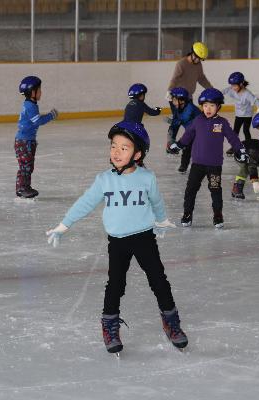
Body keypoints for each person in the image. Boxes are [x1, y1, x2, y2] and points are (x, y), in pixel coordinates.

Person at [45, 121, 188, 354]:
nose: (116, 152)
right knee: (115, 285)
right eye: (114, 146)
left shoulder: (147, 178)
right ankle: (109, 325)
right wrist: (64, 225)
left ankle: (171, 322)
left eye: (124, 147)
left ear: (138, 153)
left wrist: (161, 220)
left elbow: (156, 201)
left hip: (144, 238)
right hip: (118, 242)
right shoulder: (104, 180)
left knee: (159, 281)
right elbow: (85, 202)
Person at [170, 88, 246, 228]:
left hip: (214, 166)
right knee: (190, 190)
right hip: (197, 165)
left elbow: (233, 138)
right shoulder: (197, 121)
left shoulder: (222, 122)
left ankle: (218, 215)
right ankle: (187, 214)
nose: (208, 109)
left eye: (212, 105)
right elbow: (188, 135)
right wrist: (179, 145)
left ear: (218, 107)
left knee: (215, 190)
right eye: (205, 106)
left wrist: (240, 150)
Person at [15, 76, 58, 198]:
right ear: (32, 92)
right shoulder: (30, 106)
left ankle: (22, 187)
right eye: (39, 90)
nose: (41, 93)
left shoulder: (30, 104)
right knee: (26, 167)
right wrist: (51, 116)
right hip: (24, 141)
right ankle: (23, 188)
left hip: (26, 141)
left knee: (27, 166)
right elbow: (37, 121)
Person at [165, 42, 212, 153]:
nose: (199, 60)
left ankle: (190, 142)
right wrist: (169, 91)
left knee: (189, 122)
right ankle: (170, 144)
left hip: (188, 97)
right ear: (193, 54)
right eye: (199, 58)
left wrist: (210, 89)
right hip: (177, 98)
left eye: (201, 59)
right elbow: (174, 79)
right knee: (177, 122)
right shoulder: (181, 64)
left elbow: (202, 78)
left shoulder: (198, 65)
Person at [222, 72, 259, 156]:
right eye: (232, 85)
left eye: (235, 86)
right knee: (235, 132)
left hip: (247, 116)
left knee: (246, 130)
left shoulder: (247, 94)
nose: (233, 87)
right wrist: (217, 94)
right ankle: (234, 146)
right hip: (238, 115)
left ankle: (249, 146)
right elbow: (224, 91)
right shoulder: (232, 90)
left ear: (241, 84)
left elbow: (256, 100)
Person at [166, 87, 202, 173]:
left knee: (195, 150)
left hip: (199, 133)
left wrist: (172, 122)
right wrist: (171, 139)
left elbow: (181, 120)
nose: (172, 102)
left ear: (182, 100)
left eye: (174, 100)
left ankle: (200, 165)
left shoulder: (190, 108)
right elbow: (175, 124)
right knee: (187, 149)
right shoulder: (178, 108)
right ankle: (184, 165)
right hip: (190, 132)